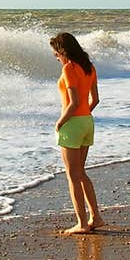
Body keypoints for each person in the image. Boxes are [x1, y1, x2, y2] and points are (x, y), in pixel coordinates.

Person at [49, 31, 102, 234]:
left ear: (63, 51)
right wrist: (83, 116)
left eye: (56, 53)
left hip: (72, 124)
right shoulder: (89, 67)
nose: (56, 57)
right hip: (87, 122)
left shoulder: (69, 69)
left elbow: (73, 103)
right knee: (81, 172)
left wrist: (60, 122)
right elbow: (94, 99)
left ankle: (81, 223)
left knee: (72, 175)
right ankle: (95, 217)